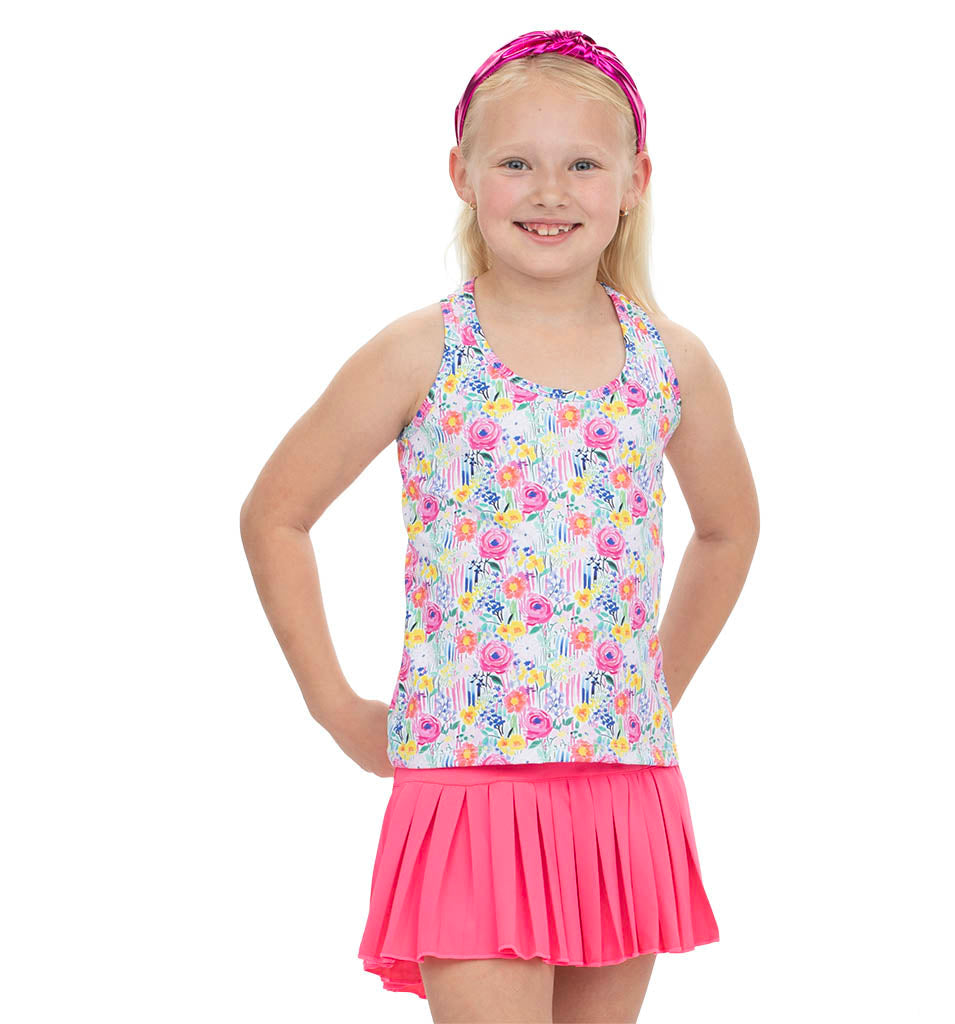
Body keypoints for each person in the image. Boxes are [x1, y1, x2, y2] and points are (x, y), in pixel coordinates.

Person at [240, 27, 759, 1024]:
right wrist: (334, 707)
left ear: (635, 180)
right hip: (470, 780)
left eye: (582, 164)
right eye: (517, 162)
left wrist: (653, 686)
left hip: (622, 787)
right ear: (462, 175)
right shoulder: (423, 350)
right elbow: (277, 514)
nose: (549, 191)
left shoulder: (670, 362)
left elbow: (729, 529)